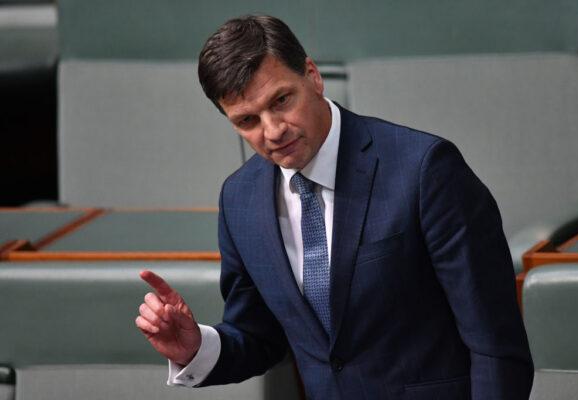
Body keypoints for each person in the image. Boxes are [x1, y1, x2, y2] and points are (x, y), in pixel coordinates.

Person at [135, 15, 534, 399]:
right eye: (247, 120)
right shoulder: (240, 199)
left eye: (282, 100)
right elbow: (261, 336)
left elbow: (495, 346)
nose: (273, 131)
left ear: (312, 75)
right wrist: (195, 347)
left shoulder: (425, 170)